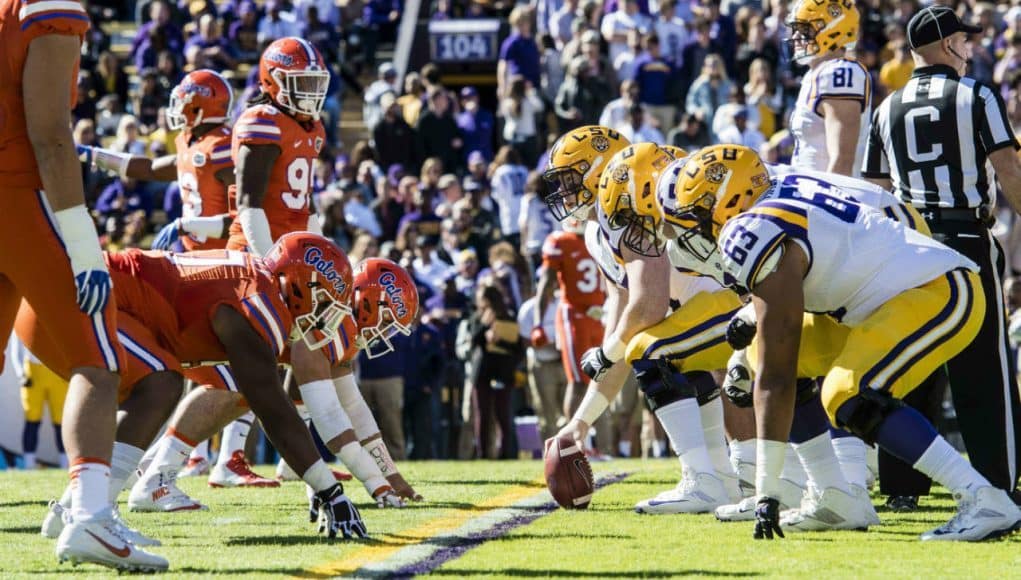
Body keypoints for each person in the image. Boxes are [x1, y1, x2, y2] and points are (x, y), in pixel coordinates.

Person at [663, 144, 1021, 541]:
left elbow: (775, 378)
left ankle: (983, 498)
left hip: (934, 289)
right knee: (765, 357)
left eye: (697, 215)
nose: (694, 229)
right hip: (883, 300)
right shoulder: (782, 192)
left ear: (732, 198)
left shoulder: (755, 229)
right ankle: (835, 496)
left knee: (848, 393)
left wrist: (768, 492)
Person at [28, 234, 369, 543]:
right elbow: (273, 409)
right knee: (160, 382)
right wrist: (329, 489)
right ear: (297, 285)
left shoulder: (253, 284)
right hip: (80, 295)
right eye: (323, 303)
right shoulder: (259, 301)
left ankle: (74, 511)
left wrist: (318, 479)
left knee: (160, 380)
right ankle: (92, 517)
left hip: (69, 293)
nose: (323, 317)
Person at [0, 0, 161, 570]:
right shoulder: (48, 8)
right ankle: (90, 518)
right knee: (97, 360)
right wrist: (83, 241)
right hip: (23, 195)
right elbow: (48, 135)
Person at [862, 5, 1021, 501]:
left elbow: (875, 190)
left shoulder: (887, 107)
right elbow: (1009, 171)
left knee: (912, 362)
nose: (970, 48)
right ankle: (999, 481)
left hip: (908, 247)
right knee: (984, 368)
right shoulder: (977, 95)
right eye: (964, 40)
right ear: (948, 44)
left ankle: (904, 485)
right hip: (966, 241)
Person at [543, 128, 744, 513]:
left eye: (571, 181)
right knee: (662, 351)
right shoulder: (596, 231)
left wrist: (611, 350)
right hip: (715, 308)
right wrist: (580, 423)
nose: (565, 195)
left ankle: (708, 480)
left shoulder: (627, 208)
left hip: (733, 301)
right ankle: (722, 479)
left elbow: (644, 313)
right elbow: (623, 325)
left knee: (653, 349)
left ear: (599, 170)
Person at [79, 69, 236, 253]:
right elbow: (150, 168)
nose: (177, 108)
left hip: (224, 257)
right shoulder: (192, 141)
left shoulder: (223, 147)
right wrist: (92, 155)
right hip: (195, 252)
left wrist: (186, 226)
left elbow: (245, 218)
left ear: (198, 107)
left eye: (182, 102)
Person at [786, 0, 871, 176]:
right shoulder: (814, 74)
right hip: (809, 189)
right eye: (795, 30)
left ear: (832, 30)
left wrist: (827, 203)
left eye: (804, 30)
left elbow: (842, 160)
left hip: (825, 195)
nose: (795, 38)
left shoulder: (838, 72)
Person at [11, 334, 68, 469]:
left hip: (56, 373)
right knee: (32, 420)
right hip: (33, 374)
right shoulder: (22, 316)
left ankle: (65, 463)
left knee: (61, 421)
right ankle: (29, 463)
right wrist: (21, 374)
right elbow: (15, 349)